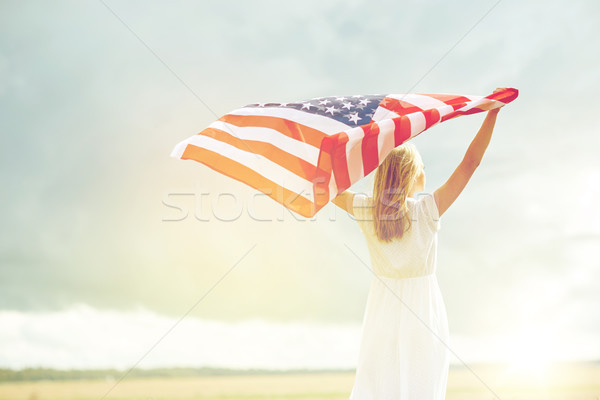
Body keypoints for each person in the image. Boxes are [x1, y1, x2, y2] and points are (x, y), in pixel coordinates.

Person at [332, 88, 504, 399]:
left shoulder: (365, 209)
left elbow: (328, 186)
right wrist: (493, 111)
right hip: (424, 315)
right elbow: (471, 163)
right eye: (421, 168)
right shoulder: (427, 210)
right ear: (413, 176)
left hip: (381, 314)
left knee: (378, 389)